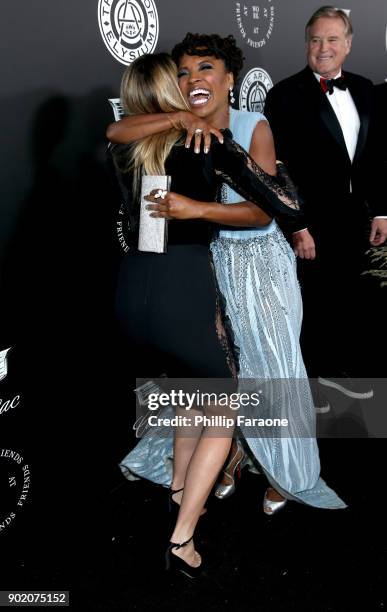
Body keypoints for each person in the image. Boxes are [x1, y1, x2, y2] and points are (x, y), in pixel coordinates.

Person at [108, 33, 346, 517]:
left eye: (206, 69)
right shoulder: (160, 134)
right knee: (220, 373)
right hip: (207, 267)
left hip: (256, 262)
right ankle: (231, 455)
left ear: (230, 78)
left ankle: (286, 471)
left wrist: (195, 210)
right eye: (184, 72)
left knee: (269, 369)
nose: (195, 79)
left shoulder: (249, 126)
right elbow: (121, 144)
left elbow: (264, 213)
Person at [264, 6, 387, 400]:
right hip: (309, 224)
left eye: (333, 39)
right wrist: (296, 225)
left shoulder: (366, 89)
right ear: (306, 44)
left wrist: (381, 209)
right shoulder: (284, 94)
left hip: (355, 217)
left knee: (348, 302)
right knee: (313, 308)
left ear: (348, 45)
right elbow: (275, 168)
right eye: (316, 39)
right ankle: (312, 395)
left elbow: (377, 156)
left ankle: (343, 388)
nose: (323, 48)